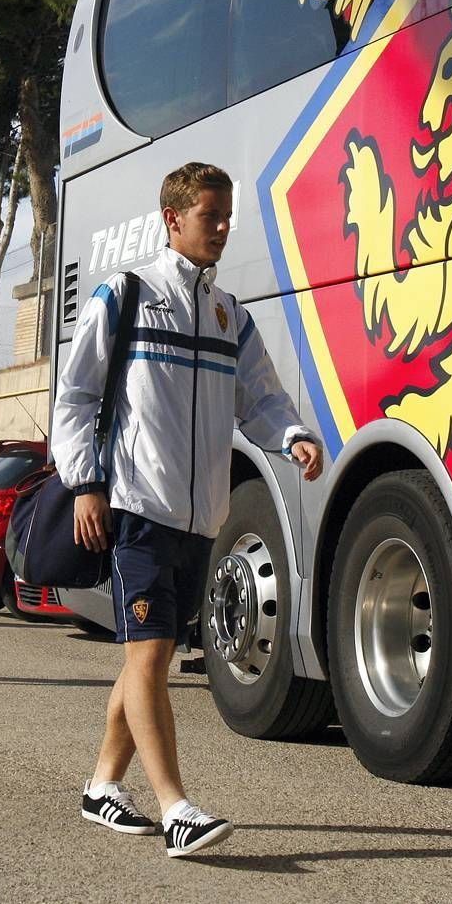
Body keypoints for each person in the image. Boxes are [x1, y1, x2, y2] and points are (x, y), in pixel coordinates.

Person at [51, 162, 323, 859]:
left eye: (228, 216)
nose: (224, 227)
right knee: (147, 654)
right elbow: (76, 396)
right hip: (138, 507)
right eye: (212, 215)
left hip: (201, 517)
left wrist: (291, 436)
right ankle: (176, 808)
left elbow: (260, 399)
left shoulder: (231, 312)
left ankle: (101, 787)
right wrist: (85, 482)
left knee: (154, 657)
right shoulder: (129, 293)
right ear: (173, 218)